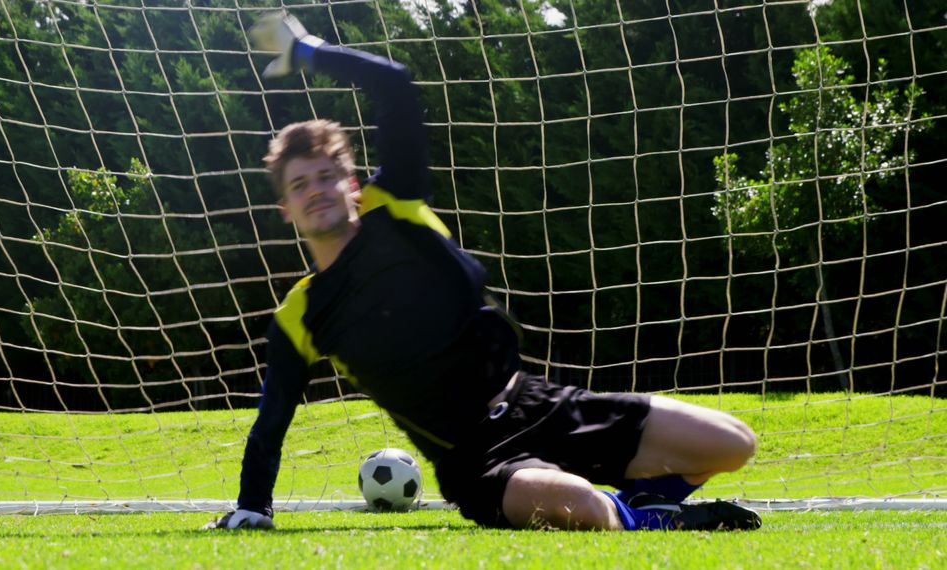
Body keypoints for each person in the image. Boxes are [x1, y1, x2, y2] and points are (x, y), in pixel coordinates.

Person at [206, 12, 761, 532]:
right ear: (286, 209)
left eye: (326, 176)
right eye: (300, 185)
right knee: (582, 506)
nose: (316, 191)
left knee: (733, 443)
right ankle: (648, 518)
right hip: (474, 460)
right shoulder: (300, 315)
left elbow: (396, 85)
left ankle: (647, 500)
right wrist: (253, 507)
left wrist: (308, 50)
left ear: (351, 185)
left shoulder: (394, 206)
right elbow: (272, 417)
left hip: (536, 402)